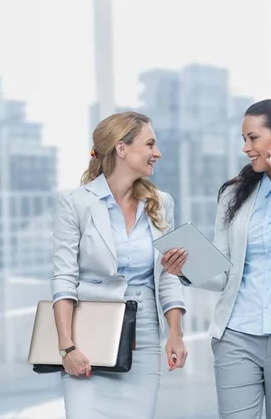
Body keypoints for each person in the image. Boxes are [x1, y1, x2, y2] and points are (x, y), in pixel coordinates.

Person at [162, 99, 271, 419]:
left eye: (253, 138)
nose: (245, 148)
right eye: (244, 139)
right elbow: (223, 273)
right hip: (236, 337)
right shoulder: (234, 194)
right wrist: (184, 269)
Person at [51, 111, 188, 418]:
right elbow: (63, 278)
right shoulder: (76, 203)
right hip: (88, 337)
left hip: (145, 336)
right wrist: (67, 348)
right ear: (121, 148)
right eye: (150, 144)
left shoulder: (161, 202)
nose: (158, 153)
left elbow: (167, 276)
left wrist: (175, 332)